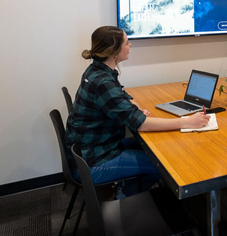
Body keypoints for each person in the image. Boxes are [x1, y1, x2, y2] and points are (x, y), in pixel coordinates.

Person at [65, 26, 210, 198]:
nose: (130, 45)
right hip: (94, 161)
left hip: (94, 149)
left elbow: (121, 94)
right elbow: (141, 124)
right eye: (126, 43)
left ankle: (128, 187)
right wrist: (187, 122)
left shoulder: (97, 71)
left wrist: (134, 107)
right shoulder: (102, 82)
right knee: (162, 164)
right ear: (114, 51)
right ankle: (124, 195)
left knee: (160, 149)